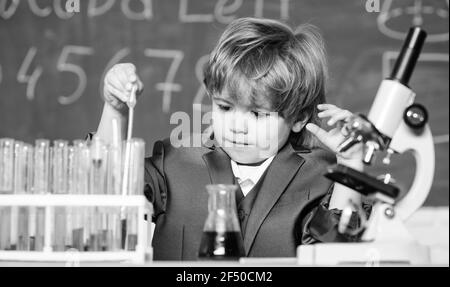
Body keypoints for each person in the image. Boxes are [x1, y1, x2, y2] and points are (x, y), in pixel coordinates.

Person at [95, 17, 364, 260]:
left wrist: (351, 166)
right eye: (224, 107)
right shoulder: (175, 160)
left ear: (299, 118)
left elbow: (335, 253)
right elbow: (102, 186)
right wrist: (115, 109)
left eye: (258, 114)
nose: (237, 127)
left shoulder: (322, 178)